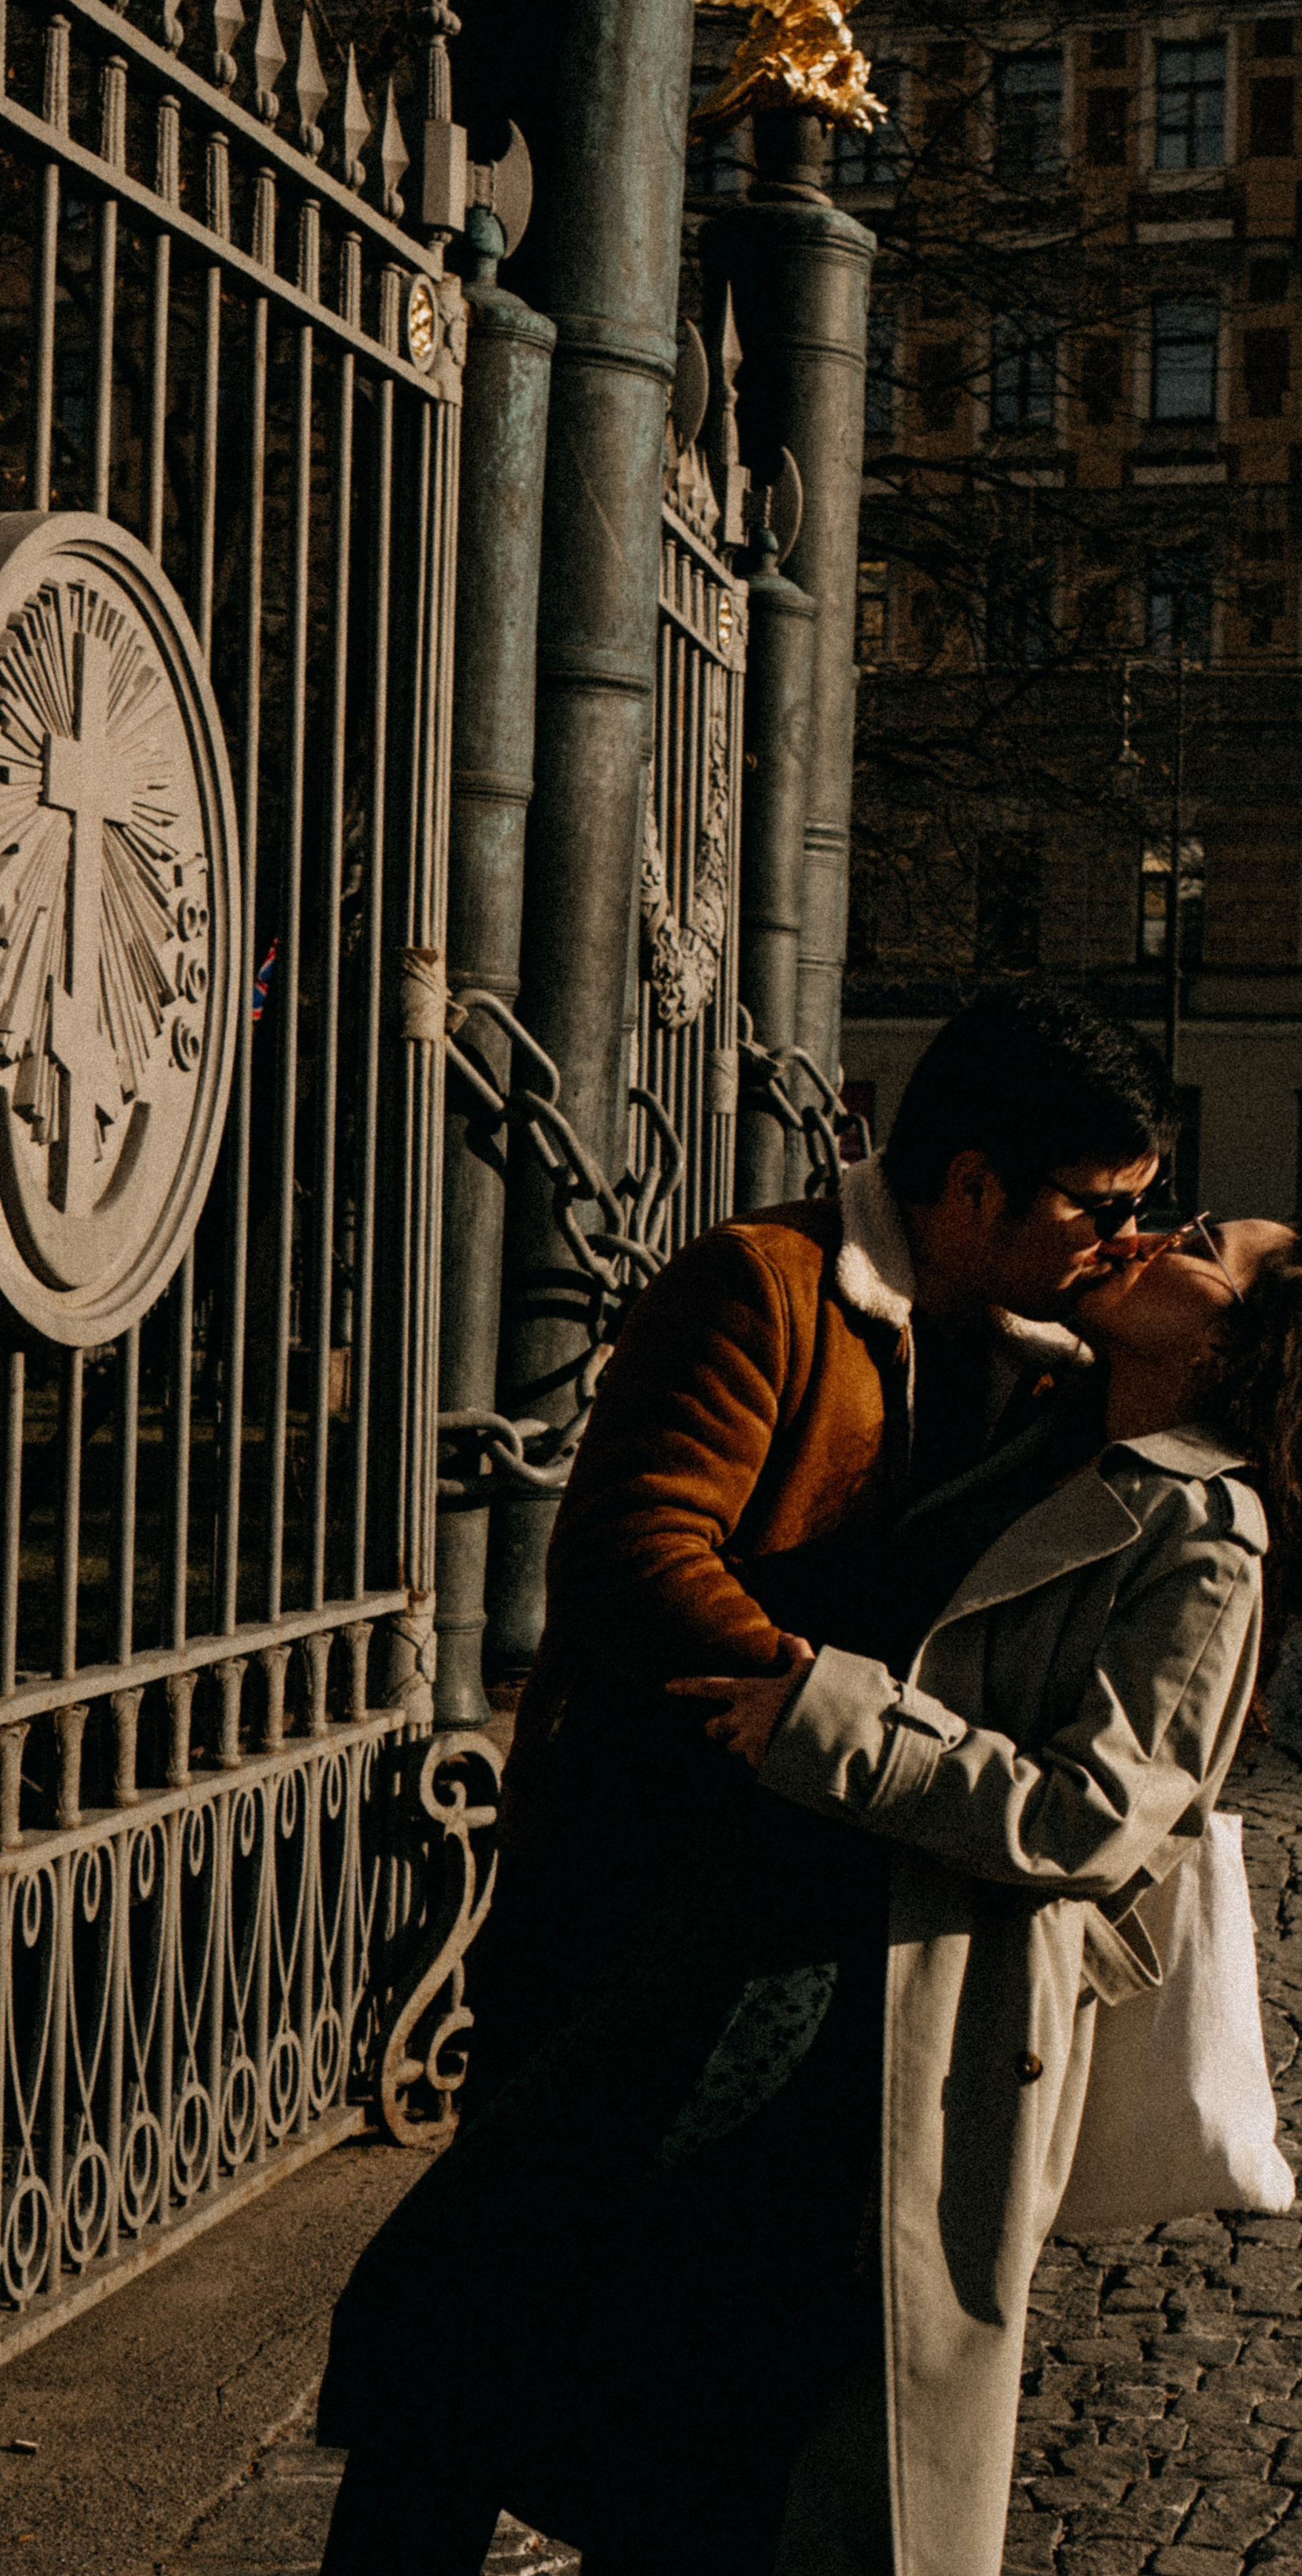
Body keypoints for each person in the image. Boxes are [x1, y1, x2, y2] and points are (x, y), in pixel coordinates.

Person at [315, 986, 1180, 2570]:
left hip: (809, 1920)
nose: (1120, 1241)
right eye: (1096, 1204)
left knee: (691, 2351)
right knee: (481, 2297)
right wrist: (812, 1704)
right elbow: (631, 1553)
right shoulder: (766, 1284)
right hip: (639, 1886)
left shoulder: (1046, 1354)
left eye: (1145, 1213)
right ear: (969, 1185)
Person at [667, 1212, 1302, 2576]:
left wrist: (835, 1726)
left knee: (839, 2431)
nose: (1158, 1232)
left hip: (939, 2004)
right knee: (711, 2385)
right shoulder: (1052, 1434)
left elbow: (1096, 1815)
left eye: (1204, 1243)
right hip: (816, 1948)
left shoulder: (1207, 1533)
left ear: (1238, 1332)